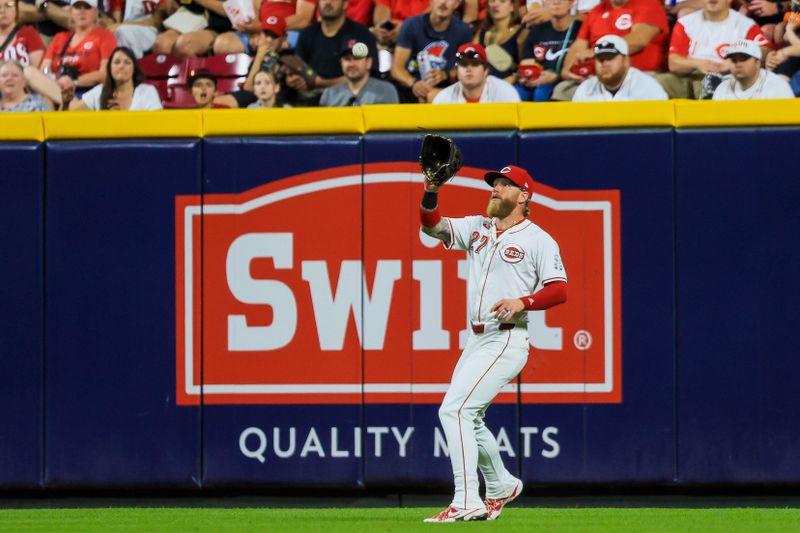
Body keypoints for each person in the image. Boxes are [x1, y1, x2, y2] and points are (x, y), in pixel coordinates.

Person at [419, 162, 567, 523]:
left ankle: (467, 500)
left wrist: (523, 302)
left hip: (508, 337)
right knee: (472, 416)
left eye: (505, 184)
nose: (496, 189)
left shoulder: (538, 239)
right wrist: (431, 190)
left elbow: (560, 289)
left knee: (455, 411)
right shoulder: (478, 227)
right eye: (495, 183)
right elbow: (433, 225)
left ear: (524, 195)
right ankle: (500, 484)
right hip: (477, 338)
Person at [554, 0, 668, 100]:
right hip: (597, 77)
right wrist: (566, 70)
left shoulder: (648, 3)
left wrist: (596, 51)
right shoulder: (597, 10)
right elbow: (579, 44)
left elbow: (639, 40)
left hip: (640, 74)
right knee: (562, 90)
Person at [657, 0, 769, 99]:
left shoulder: (745, 25)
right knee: (659, 82)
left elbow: (765, 51)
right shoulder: (685, 23)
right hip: (691, 75)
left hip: (728, 77)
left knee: (709, 84)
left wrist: (734, 62)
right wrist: (698, 64)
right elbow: (674, 63)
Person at [285, 0, 378, 105]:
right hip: (310, 101)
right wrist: (294, 80)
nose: (328, 2)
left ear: (345, 4)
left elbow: (368, 77)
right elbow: (298, 68)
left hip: (349, 100)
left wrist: (320, 83)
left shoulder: (361, 34)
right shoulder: (307, 34)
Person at [390, 0, 473, 103]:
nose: (443, 2)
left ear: (457, 4)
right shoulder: (411, 25)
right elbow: (396, 69)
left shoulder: (463, 31)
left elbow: (467, 67)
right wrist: (414, 83)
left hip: (445, 91)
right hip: (409, 90)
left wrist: (445, 75)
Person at [41, 0, 117, 107]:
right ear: (71, 11)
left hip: (87, 92)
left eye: (87, 7)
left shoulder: (105, 36)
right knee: (30, 73)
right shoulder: (60, 38)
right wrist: (55, 80)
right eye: (77, 7)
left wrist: (74, 81)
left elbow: (105, 73)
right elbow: (44, 69)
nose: (82, 11)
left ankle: (71, 106)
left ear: (96, 12)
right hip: (57, 88)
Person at [517, 0, 580, 101]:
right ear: (544, 3)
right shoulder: (536, 31)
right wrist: (527, 76)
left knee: (541, 93)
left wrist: (557, 77)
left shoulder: (579, 29)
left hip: (565, 79)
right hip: (539, 78)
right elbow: (527, 62)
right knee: (518, 92)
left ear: (572, 3)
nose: (556, 2)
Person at [573, 33, 668, 100]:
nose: (605, 63)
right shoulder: (584, 89)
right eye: (600, 59)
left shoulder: (648, 87)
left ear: (626, 61)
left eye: (610, 58)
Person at [70, 46, 162, 110]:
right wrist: (66, 102)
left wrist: (120, 118)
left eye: (127, 62)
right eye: (117, 62)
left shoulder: (147, 92)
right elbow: (70, 115)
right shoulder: (99, 91)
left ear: (134, 69)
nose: (121, 66)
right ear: (110, 68)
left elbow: (158, 122)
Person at [432, 42, 521, 102]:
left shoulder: (505, 93)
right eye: (463, 65)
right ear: (457, 71)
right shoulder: (443, 98)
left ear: (486, 71)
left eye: (475, 64)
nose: (468, 69)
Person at [319, 41, 399, 105]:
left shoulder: (386, 90)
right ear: (341, 63)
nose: (352, 64)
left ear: (368, 62)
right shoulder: (329, 94)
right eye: (347, 59)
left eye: (357, 58)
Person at [713, 38, 794, 98]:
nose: (738, 64)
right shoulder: (722, 89)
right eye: (734, 60)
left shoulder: (777, 87)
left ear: (757, 63)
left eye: (743, 59)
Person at [473, 0, 527, 84]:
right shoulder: (481, 34)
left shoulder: (522, 33)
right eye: (492, 1)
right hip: (482, 86)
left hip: (510, 86)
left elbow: (525, 66)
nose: (496, 5)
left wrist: (511, 80)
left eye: (502, 1)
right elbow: (470, 63)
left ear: (512, 6)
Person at [98, 0, 165, 58]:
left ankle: (134, 68)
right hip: (125, 27)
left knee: (123, 31)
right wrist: (110, 25)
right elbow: (116, 17)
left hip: (151, 30)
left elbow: (157, 22)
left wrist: (121, 25)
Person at [0, 0, 45, 67]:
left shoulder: (29, 33)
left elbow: (38, 71)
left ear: (16, 9)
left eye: (8, 6)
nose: (2, 10)